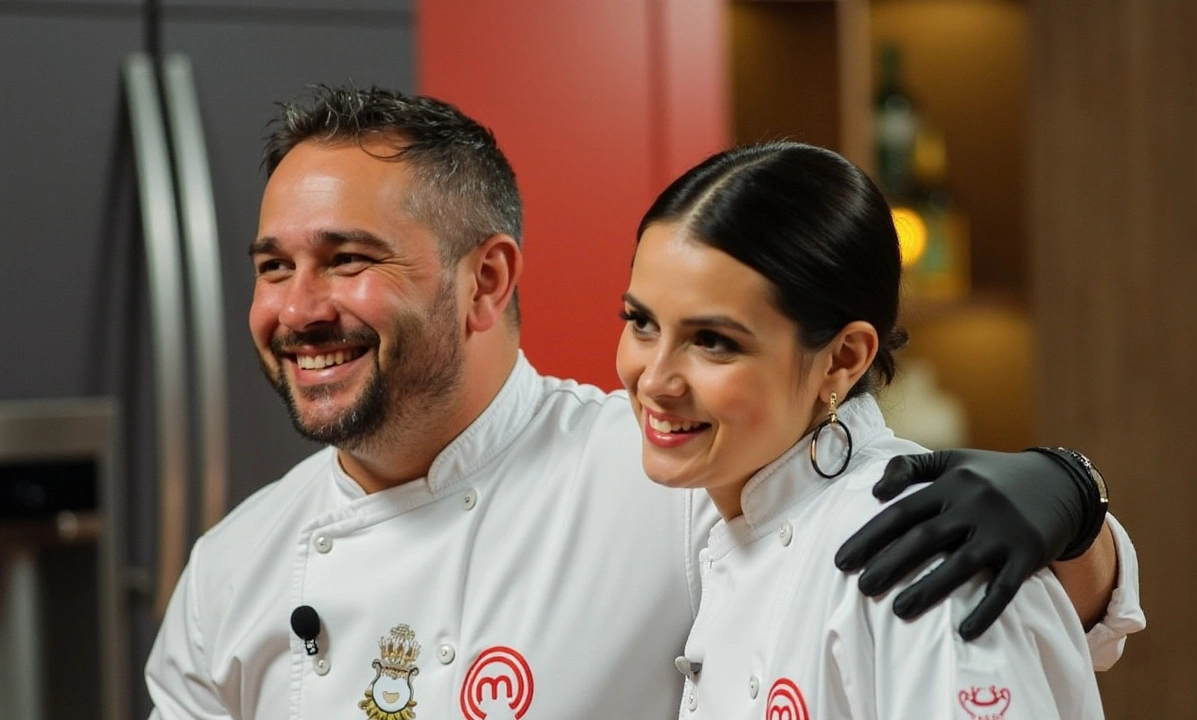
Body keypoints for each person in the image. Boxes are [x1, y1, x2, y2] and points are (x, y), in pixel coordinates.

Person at [144, 86, 1142, 720]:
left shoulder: (670, 472)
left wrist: (1071, 501)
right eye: (274, 267)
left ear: (487, 282)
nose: (298, 308)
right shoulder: (231, 571)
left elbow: (910, 531)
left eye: (349, 261)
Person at [616, 140, 1123, 718]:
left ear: (842, 358)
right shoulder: (727, 489)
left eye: (713, 342)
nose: (654, 380)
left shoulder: (918, 559)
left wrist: (1077, 491)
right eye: (641, 323)